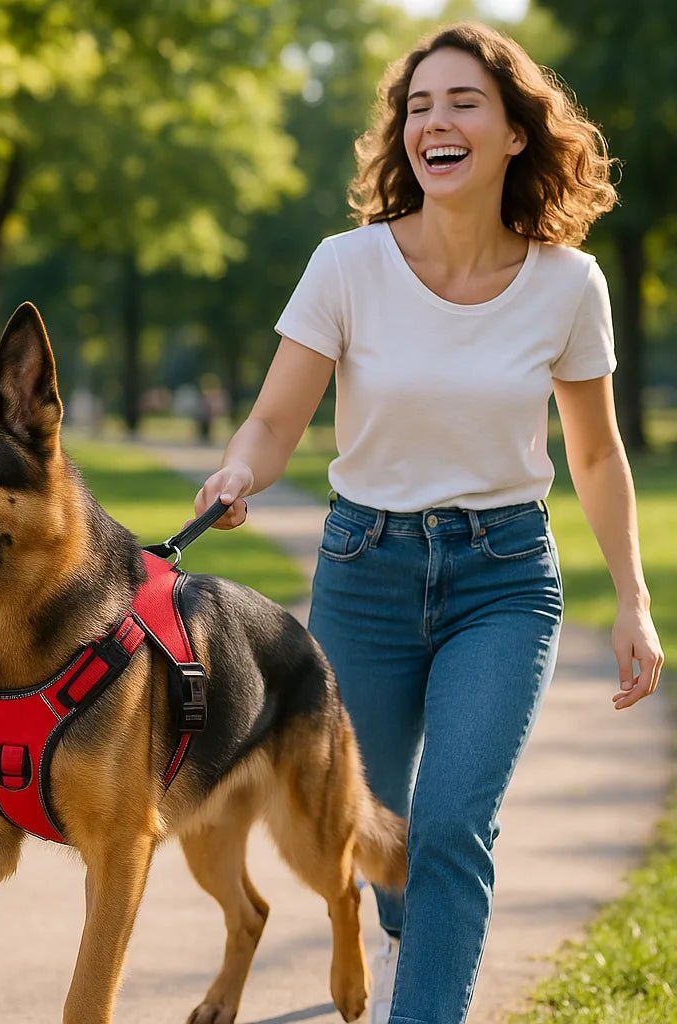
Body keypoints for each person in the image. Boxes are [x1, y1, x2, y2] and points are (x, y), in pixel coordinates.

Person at [193, 22, 663, 1024]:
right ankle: (406, 902)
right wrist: (240, 468)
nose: (434, 122)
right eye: (418, 106)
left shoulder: (567, 284)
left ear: (512, 136)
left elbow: (593, 453)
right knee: (361, 825)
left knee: (451, 824)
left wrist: (632, 600)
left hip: (502, 580)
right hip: (363, 570)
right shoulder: (346, 265)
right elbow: (277, 418)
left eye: (462, 103)